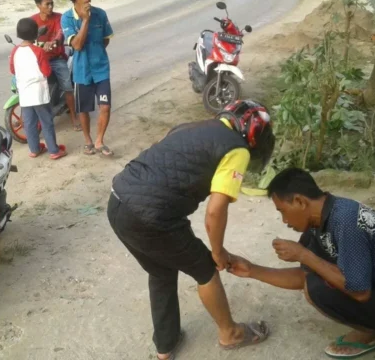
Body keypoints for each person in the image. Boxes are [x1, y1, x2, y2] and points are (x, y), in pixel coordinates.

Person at [107, 100, 276, 360]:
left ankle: (166, 345)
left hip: (117, 203)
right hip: (153, 217)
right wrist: (218, 253)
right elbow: (215, 211)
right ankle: (230, 334)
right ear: (254, 136)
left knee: (160, 269)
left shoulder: (191, 127)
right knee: (205, 269)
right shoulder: (237, 150)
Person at [229, 168, 375, 359]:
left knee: (318, 289)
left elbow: (360, 291)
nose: (283, 220)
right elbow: (303, 275)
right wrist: (252, 270)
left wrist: (304, 255)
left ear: (300, 201)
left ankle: (370, 333)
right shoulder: (321, 220)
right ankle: (372, 325)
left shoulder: (346, 221)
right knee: (315, 280)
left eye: (282, 210)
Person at [61, 0, 115, 156]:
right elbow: (76, 45)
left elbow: (106, 39)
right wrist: (85, 20)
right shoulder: (67, 18)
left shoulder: (101, 14)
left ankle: (99, 140)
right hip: (81, 71)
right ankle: (88, 140)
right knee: (83, 109)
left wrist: (96, 53)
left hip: (101, 69)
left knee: (105, 107)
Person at [9, 17, 67, 160]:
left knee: (29, 123)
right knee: (46, 121)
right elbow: (46, 71)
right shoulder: (38, 51)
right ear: (36, 34)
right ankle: (53, 150)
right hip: (39, 94)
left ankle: (34, 149)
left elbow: (12, 70)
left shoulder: (15, 51)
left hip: (25, 94)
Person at [32, 0, 81, 132]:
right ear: (38, 5)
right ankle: (30, 115)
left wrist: (53, 42)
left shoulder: (60, 18)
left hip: (57, 59)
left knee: (67, 87)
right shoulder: (33, 21)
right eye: (47, 4)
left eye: (52, 4)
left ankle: (73, 115)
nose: (50, 7)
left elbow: (61, 34)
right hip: (40, 60)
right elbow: (28, 39)